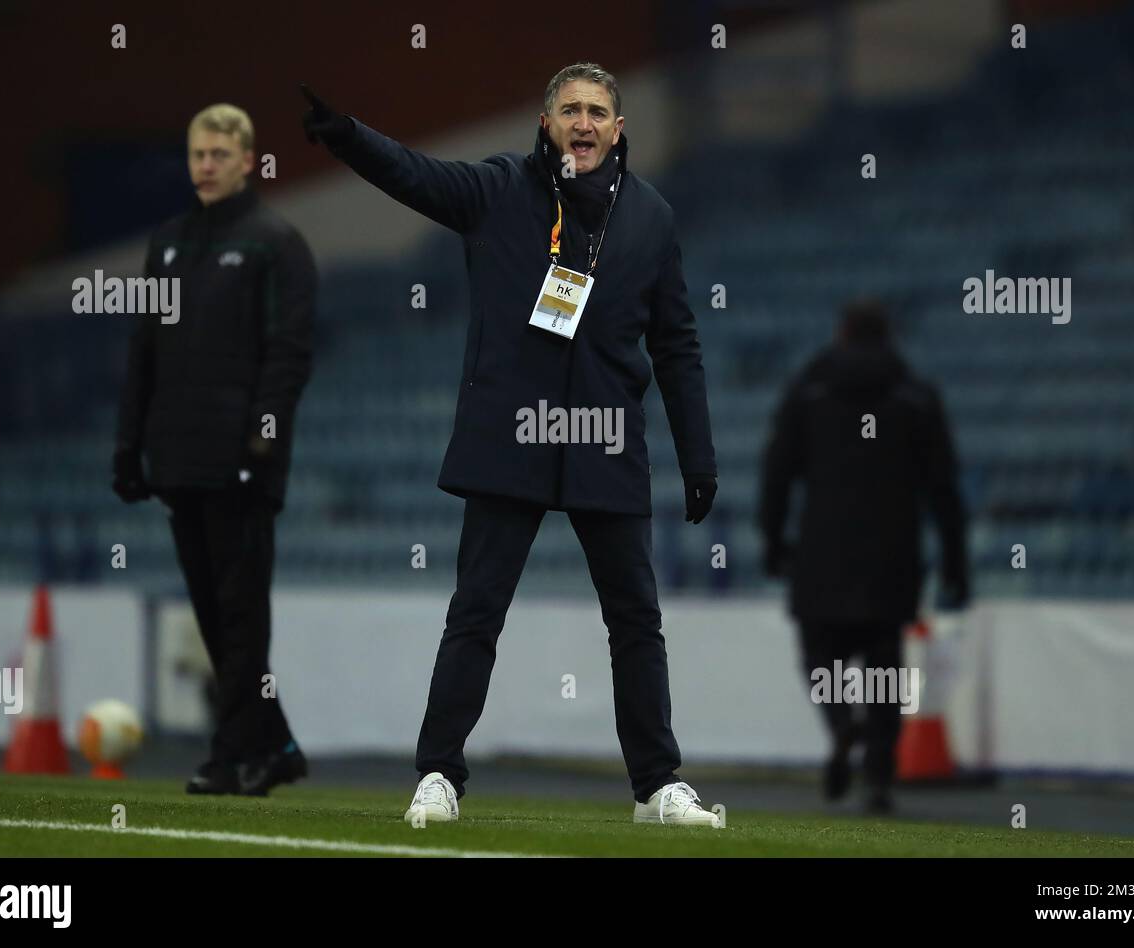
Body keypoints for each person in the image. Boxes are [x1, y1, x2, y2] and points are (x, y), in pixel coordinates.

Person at [302, 62, 721, 826]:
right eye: (571, 110)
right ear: (546, 123)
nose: (585, 123)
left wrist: (699, 455)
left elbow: (678, 344)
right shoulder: (498, 191)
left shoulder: (652, 217)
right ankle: (438, 776)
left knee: (635, 620)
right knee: (477, 612)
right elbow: (415, 176)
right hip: (511, 438)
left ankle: (657, 787)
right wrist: (346, 137)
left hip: (603, 441)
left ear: (619, 129)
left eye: (598, 111)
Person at [113, 103, 316, 796]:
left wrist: (263, 436)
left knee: (240, 616)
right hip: (179, 457)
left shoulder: (274, 243)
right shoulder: (167, 243)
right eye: (197, 153)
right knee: (213, 617)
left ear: (249, 161)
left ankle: (232, 757)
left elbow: (288, 354)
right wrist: (128, 444)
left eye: (218, 155)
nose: (204, 165)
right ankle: (277, 744)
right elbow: (145, 350)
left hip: (241, 462)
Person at [757, 300, 969, 814]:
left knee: (818, 655)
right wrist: (956, 565)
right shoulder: (916, 397)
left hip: (821, 552)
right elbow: (944, 490)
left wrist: (773, 542)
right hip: (892, 554)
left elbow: (776, 472)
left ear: (841, 333)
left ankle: (839, 722)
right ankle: (877, 775)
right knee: (883, 668)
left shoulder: (808, 391)